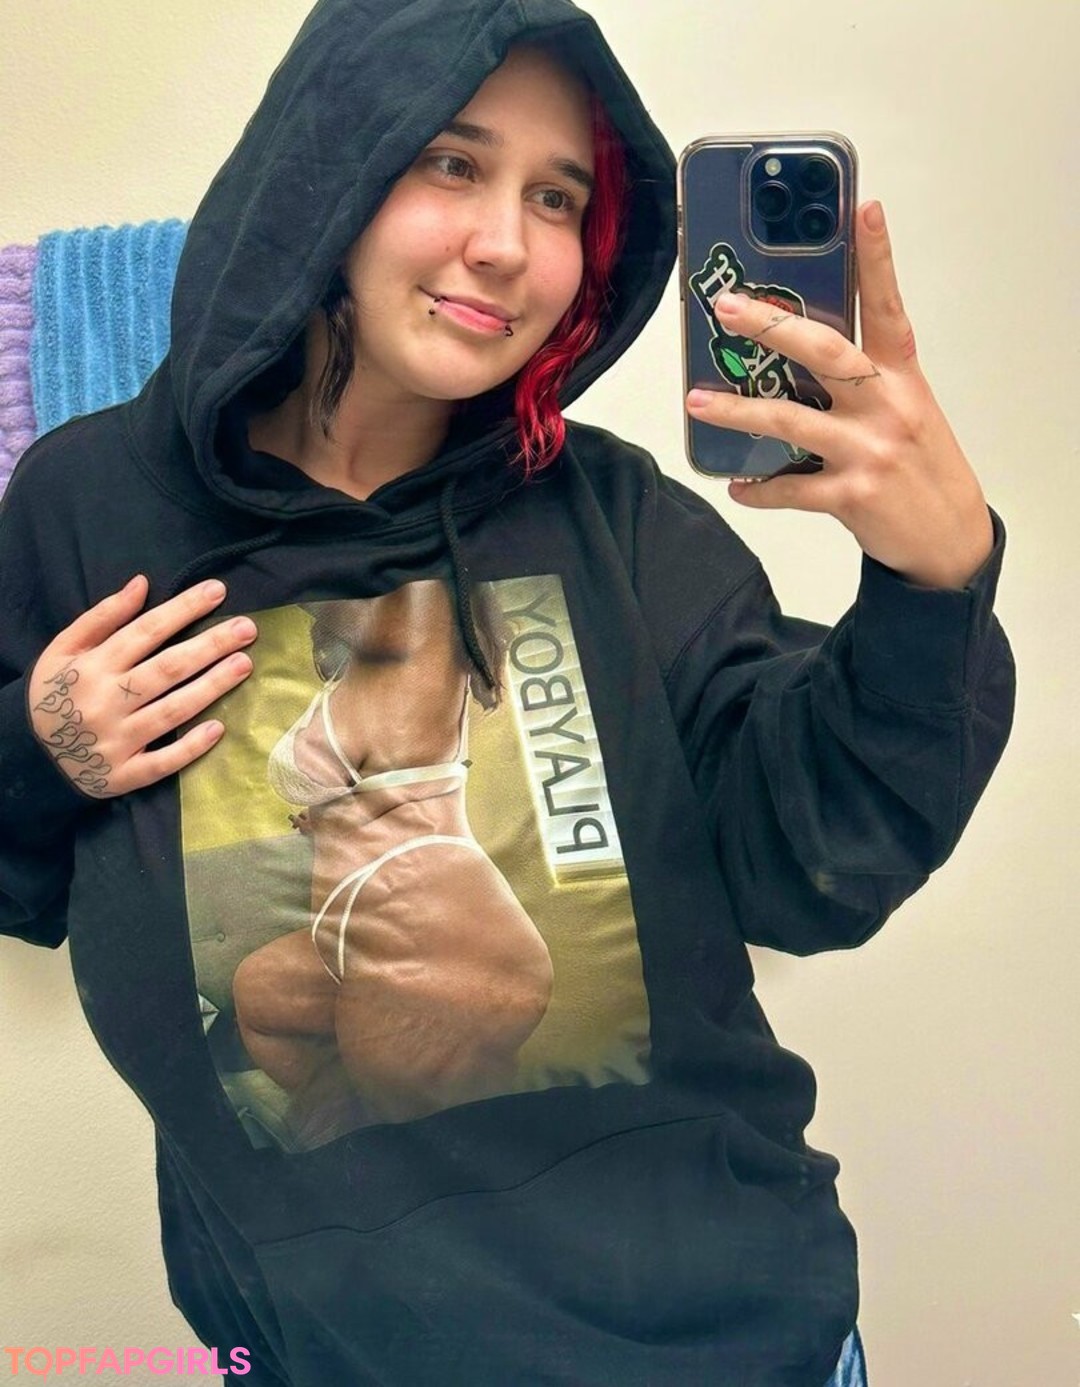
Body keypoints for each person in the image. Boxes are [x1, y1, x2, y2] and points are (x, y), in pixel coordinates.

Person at [0, 0, 1013, 1383]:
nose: (506, 244)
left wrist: (935, 585)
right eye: (452, 163)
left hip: (727, 1341)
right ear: (331, 164)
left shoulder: (617, 518)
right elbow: (22, 877)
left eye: (558, 198)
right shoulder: (91, 504)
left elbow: (811, 869)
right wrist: (40, 745)